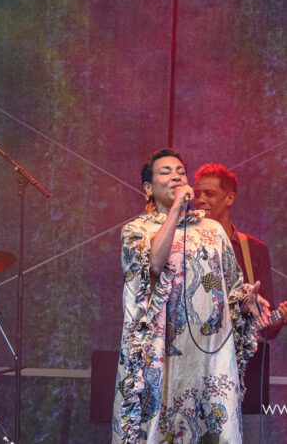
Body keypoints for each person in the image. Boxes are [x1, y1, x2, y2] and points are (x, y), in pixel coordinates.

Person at [112, 148, 269, 444]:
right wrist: (175, 210)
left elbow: (231, 287)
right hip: (160, 354)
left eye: (181, 172)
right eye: (166, 172)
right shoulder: (136, 231)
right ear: (148, 188)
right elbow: (154, 266)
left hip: (208, 355)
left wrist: (246, 302)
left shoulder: (213, 231)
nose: (176, 177)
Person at [194, 162, 287, 339]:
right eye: (197, 194)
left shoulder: (254, 249)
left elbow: (265, 328)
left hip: (238, 355)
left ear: (230, 198)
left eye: (209, 194)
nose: (200, 200)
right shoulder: (186, 244)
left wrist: (280, 318)